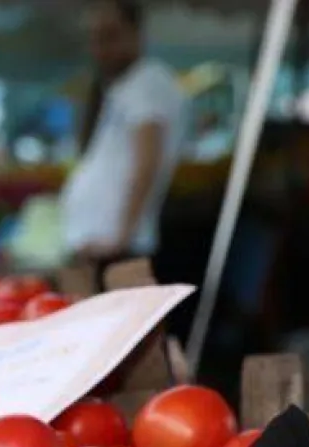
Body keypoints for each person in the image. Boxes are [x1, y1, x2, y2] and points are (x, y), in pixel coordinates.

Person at [60, 0, 188, 265]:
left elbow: (147, 162)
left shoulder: (147, 83)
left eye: (110, 35)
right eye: (94, 38)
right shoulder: (124, 86)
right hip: (101, 243)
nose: (100, 48)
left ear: (136, 34)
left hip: (118, 246)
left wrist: (122, 236)